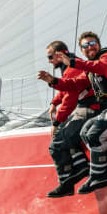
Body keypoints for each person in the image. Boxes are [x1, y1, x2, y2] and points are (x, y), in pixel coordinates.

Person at [55, 32, 107, 194]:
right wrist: (52, 81)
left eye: (93, 43)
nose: (90, 47)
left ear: (98, 43)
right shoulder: (90, 67)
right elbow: (75, 83)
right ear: (82, 50)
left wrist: (75, 63)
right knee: (85, 131)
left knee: (95, 132)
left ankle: (100, 174)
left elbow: (103, 68)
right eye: (86, 45)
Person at [36, 41, 92, 197]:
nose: (49, 61)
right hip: (86, 106)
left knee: (56, 143)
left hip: (90, 107)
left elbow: (71, 97)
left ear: (60, 54)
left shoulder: (72, 68)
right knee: (64, 132)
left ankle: (66, 183)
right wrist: (54, 103)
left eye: (50, 57)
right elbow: (65, 88)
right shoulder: (68, 68)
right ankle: (81, 168)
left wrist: (57, 122)